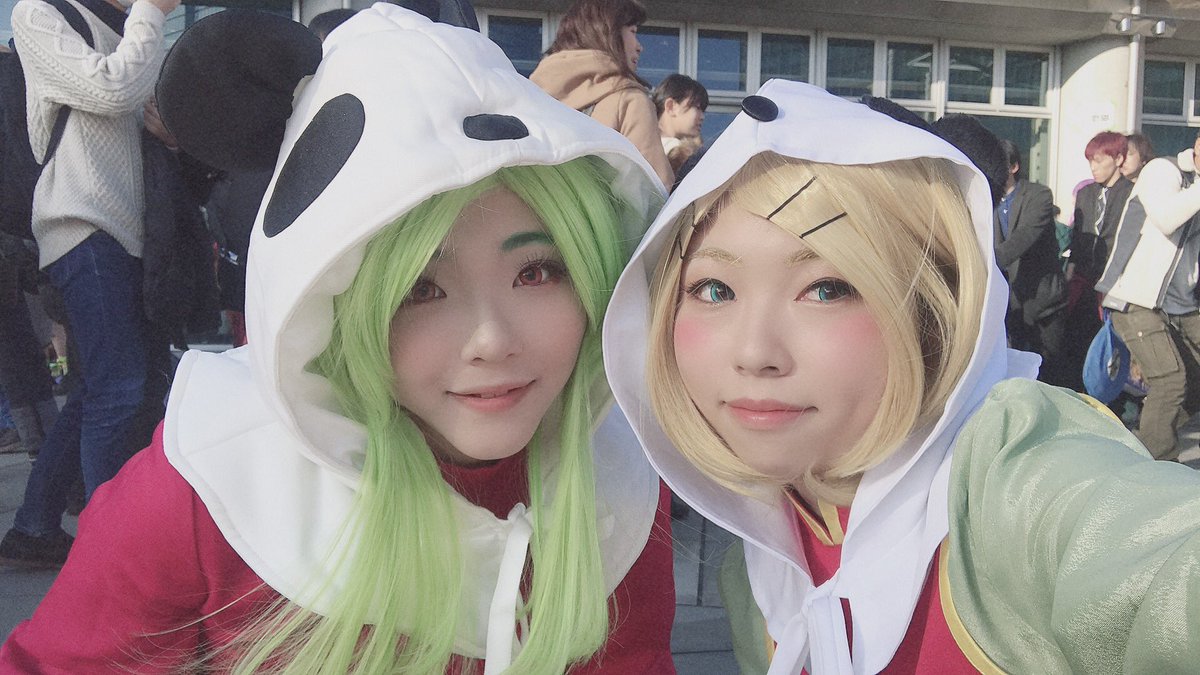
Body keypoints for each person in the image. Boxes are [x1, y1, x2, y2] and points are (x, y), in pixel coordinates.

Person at [0, 6, 675, 672]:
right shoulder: (210, 481)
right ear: (329, 304)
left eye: (538, 271)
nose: (492, 340)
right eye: (419, 288)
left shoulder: (616, 481)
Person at [603, 80, 1200, 672]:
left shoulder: (1010, 488)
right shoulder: (755, 561)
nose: (755, 352)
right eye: (714, 289)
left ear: (933, 311)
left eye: (827, 288)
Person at [0, 0, 179, 567]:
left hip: (138, 239)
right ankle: (110, 550)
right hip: (82, 226)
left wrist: (170, 133)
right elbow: (110, 91)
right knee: (120, 389)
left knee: (98, 391)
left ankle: (34, 529)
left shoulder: (132, 29)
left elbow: (146, 119)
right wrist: (152, 13)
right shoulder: (38, 13)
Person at [1096, 131, 1200, 461]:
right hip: (1136, 298)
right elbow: (1167, 219)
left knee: (1190, 380)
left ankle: (1154, 435)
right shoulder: (1162, 170)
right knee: (1170, 380)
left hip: (1180, 302)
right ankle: (1155, 461)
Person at [530, 0, 673, 188]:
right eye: (633, 32)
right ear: (609, 33)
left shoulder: (531, 94)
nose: (639, 47)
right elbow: (653, 190)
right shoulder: (628, 100)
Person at [994, 139, 1069, 387]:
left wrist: (987, 261)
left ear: (1013, 167)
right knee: (1015, 374)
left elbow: (1024, 236)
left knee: (1050, 371)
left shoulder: (1039, 195)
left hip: (1043, 301)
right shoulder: (987, 197)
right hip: (1009, 301)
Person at [1064, 131, 1135, 393]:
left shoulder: (1131, 193)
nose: (1093, 167)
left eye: (1099, 161)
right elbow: (1078, 236)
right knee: (1077, 341)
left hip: (1114, 281)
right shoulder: (1086, 193)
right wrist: (1071, 272)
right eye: (1090, 161)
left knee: (1110, 346)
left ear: (1118, 159)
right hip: (1083, 279)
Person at [652, 73, 707, 156]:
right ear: (670, 106)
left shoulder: (640, 146)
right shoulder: (682, 154)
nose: (702, 117)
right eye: (697, 107)